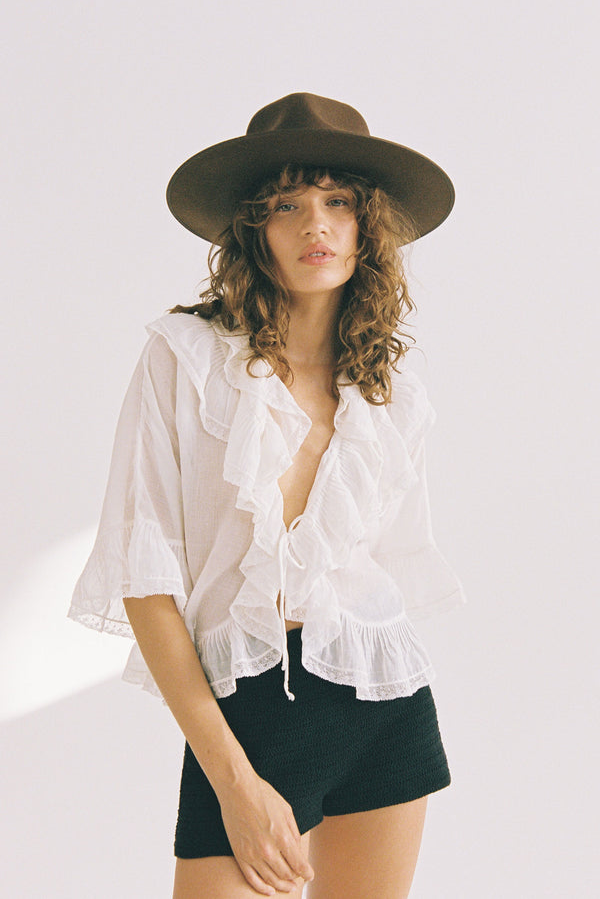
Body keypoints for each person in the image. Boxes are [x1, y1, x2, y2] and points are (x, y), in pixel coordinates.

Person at [69, 93, 466, 899]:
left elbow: (381, 562)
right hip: (245, 712)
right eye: (286, 206)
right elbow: (148, 583)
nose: (315, 226)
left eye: (338, 202)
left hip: (382, 700)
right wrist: (234, 783)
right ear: (255, 229)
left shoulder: (393, 397)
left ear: (367, 225)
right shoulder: (184, 358)